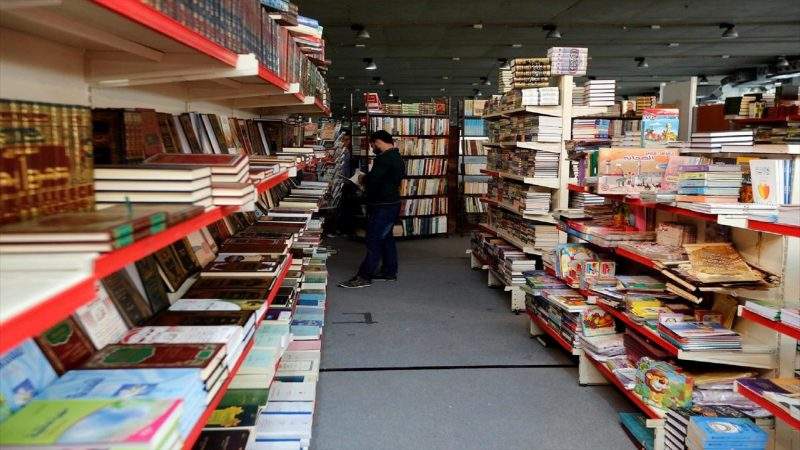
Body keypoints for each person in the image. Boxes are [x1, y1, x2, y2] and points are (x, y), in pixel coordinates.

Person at [339, 130, 404, 288]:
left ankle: (364, 276)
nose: (372, 148)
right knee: (386, 238)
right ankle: (389, 272)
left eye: (372, 144)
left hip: (382, 205)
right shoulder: (397, 157)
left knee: (373, 240)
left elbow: (373, 179)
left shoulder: (384, 158)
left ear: (378, 141)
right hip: (392, 202)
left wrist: (362, 178)